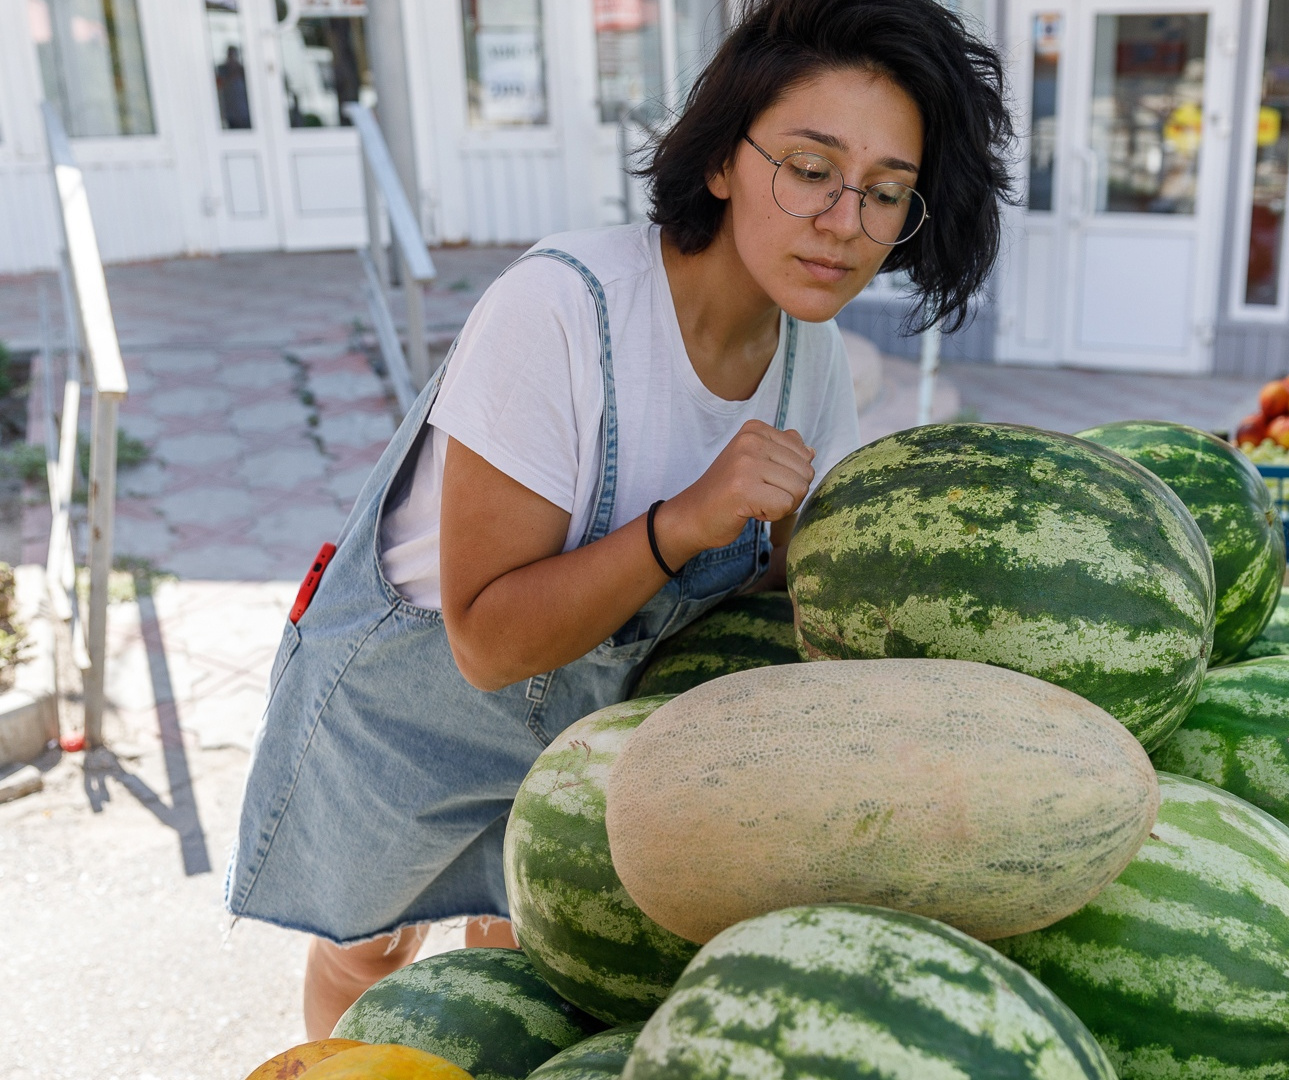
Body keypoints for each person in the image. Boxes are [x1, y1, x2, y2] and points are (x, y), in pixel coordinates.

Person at [223, 0, 1015, 1038]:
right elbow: (488, 642)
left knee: (518, 962)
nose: (845, 223)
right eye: (812, 169)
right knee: (371, 944)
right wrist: (683, 523)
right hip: (417, 706)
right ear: (725, 159)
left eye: (885, 193)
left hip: (589, 721)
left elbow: (796, 602)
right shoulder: (560, 309)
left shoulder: (811, 363)